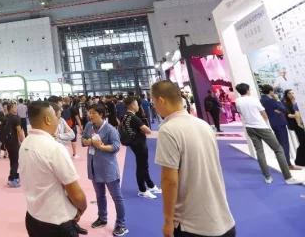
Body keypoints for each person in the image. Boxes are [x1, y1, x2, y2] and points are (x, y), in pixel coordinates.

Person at [152, 80, 236, 237]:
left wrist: (168, 221)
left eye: (154, 102)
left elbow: (169, 180)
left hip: (191, 226)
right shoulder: (203, 125)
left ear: (161, 100)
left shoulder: (168, 130)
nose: (154, 107)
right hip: (224, 220)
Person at [20, 101, 88, 237]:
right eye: (57, 117)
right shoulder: (54, 148)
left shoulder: (25, 143)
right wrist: (82, 208)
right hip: (57, 223)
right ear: (47, 119)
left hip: (33, 217)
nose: (58, 120)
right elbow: (75, 193)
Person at [234, 83, 301, 184]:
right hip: (261, 127)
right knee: (278, 149)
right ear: (247, 90)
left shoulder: (238, 101)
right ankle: (288, 178)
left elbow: (241, 113)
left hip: (249, 127)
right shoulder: (253, 100)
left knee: (259, 151)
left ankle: (267, 177)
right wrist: (265, 124)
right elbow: (263, 113)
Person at [82, 104, 127, 236]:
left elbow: (116, 147)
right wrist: (89, 141)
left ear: (101, 114)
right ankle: (102, 218)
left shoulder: (110, 129)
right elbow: (83, 139)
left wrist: (101, 147)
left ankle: (121, 224)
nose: (90, 115)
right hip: (93, 167)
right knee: (99, 195)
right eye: (89, 112)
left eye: (93, 113)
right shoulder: (88, 126)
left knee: (117, 197)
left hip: (108, 168)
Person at [121, 97, 160, 199]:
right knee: (142, 166)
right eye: (136, 104)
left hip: (134, 143)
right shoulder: (134, 118)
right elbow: (148, 130)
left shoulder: (125, 116)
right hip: (139, 144)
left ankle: (150, 185)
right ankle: (142, 190)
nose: (138, 106)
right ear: (131, 105)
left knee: (143, 165)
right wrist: (142, 130)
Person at [260, 84, 298, 169]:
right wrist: (277, 100)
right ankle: (287, 165)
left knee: (281, 144)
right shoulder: (271, 100)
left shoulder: (262, 99)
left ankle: (285, 164)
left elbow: (280, 109)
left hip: (274, 123)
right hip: (279, 123)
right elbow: (283, 109)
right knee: (284, 144)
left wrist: (279, 108)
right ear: (271, 91)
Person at [3, 101, 25, 187]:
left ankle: (14, 176)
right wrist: (23, 141)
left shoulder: (5, 117)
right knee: (15, 161)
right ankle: (12, 179)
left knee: (12, 160)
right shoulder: (16, 118)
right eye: (15, 107)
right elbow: (19, 131)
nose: (16, 108)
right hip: (14, 142)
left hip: (7, 142)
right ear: (11, 108)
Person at [283, 89, 305, 166]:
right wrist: (298, 115)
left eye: (292, 93)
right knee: (303, 142)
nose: (291, 94)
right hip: (297, 125)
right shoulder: (286, 104)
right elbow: (288, 115)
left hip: (302, 123)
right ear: (287, 95)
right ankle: (299, 161)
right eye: (289, 93)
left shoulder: (299, 102)